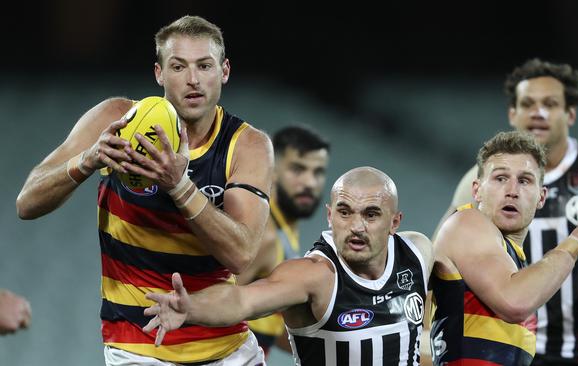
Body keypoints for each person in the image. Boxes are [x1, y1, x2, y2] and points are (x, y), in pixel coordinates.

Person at [16, 15, 273, 365]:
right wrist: (87, 161)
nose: (193, 80)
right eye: (178, 66)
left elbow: (241, 256)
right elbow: (27, 202)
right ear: (159, 73)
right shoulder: (117, 119)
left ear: (224, 71)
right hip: (138, 348)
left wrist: (179, 187)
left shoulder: (247, 145)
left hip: (228, 348)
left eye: (204, 66)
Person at [439, 59, 578, 366]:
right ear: (513, 113)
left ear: (570, 114)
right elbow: (439, 267)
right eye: (528, 104)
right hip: (505, 344)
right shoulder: (479, 180)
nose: (538, 113)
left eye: (550, 104)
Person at [142, 166, 434, 365]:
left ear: (394, 222)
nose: (356, 226)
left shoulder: (417, 252)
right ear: (330, 217)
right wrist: (192, 307)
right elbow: (243, 299)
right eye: (345, 213)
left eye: (371, 215)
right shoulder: (314, 276)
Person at [430, 131, 578, 365]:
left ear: (541, 197)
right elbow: (514, 302)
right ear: (476, 190)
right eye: (500, 178)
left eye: (524, 180)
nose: (512, 190)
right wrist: (575, 243)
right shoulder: (466, 222)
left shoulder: (516, 267)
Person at [236, 125, 330, 356]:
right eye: (298, 169)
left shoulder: (283, 230)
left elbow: (267, 326)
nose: (310, 182)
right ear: (273, 170)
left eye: (318, 172)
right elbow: (208, 313)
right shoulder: (263, 235)